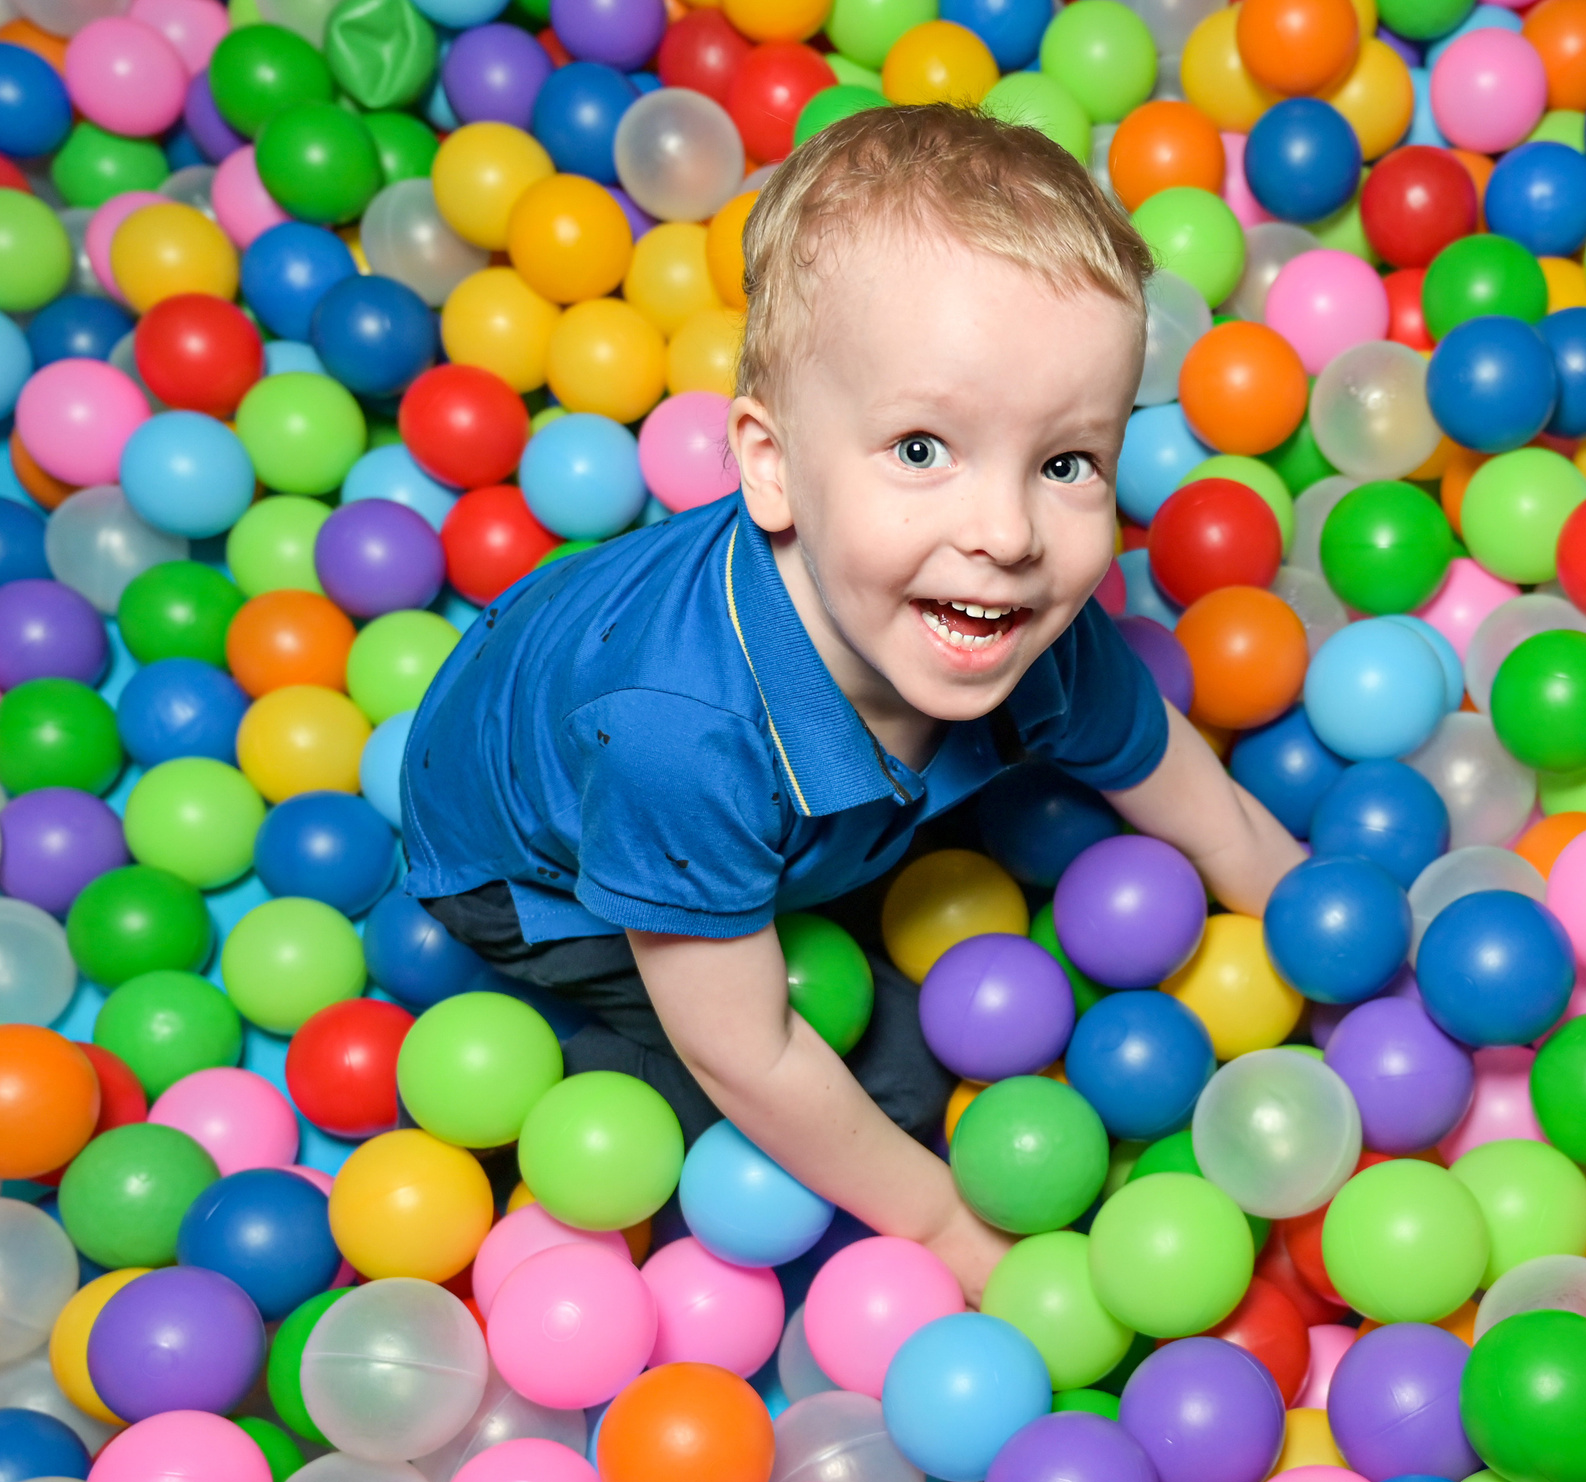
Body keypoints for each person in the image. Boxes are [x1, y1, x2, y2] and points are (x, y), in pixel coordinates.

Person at [401, 105, 1303, 1296]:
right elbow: (750, 1053)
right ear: (770, 467)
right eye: (922, 449)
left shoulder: (1013, 612)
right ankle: (590, 1069)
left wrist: (1307, 927)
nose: (1006, 533)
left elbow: (1179, 783)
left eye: (1065, 462)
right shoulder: (684, 740)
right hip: (528, 870)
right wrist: (938, 1223)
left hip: (693, 748)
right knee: (895, 1077)